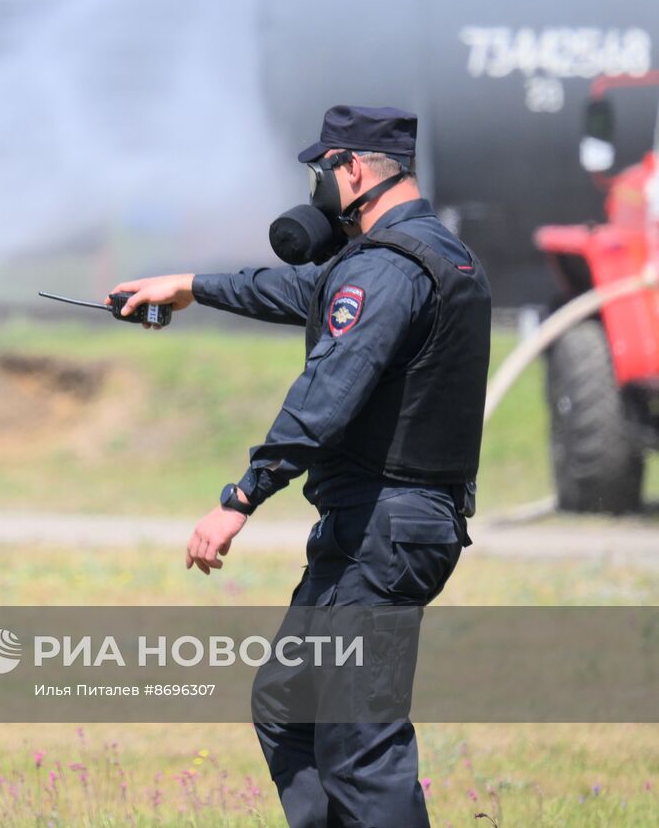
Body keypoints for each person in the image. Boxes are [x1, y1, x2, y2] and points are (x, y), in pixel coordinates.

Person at [109, 106, 491, 828]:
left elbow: (327, 393)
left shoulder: (386, 267)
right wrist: (189, 285)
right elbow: (302, 293)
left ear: (350, 169)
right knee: (289, 702)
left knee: (357, 741)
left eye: (321, 173)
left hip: (386, 526)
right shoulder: (425, 255)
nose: (315, 191)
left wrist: (241, 496)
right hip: (378, 525)